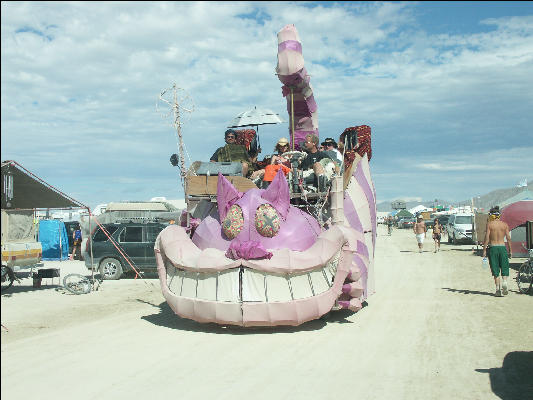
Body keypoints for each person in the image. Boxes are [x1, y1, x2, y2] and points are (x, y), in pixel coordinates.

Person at [482, 206, 512, 297]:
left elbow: (487, 238)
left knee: (495, 270)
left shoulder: (490, 224)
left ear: (491, 215)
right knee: (504, 267)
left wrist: (484, 250)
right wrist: (510, 250)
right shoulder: (505, 225)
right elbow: (508, 238)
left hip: (493, 248)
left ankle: (498, 290)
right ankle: (505, 282)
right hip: (502, 247)